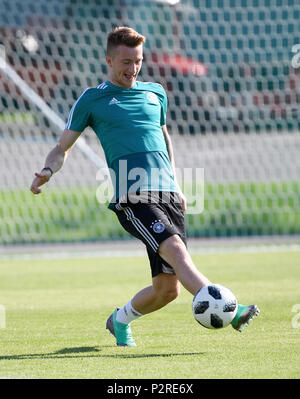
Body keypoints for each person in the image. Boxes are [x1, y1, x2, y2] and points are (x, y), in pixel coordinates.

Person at [30, 26, 259, 347]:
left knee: (168, 289)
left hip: (167, 195)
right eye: (125, 61)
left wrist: (177, 186)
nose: (132, 68)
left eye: (137, 60)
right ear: (109, 60)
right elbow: (61, 148)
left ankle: (120, 320)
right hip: (133, 197)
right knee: (178, 254)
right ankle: (233, 312)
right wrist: (46, 170)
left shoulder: (156, 93)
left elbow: (164, 139)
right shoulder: (92, 99)